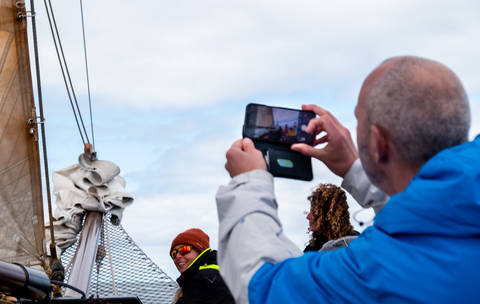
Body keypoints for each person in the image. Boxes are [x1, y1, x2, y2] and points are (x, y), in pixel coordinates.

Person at [216, 56, 479, 303]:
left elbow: (262, 286)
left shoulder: (375, 271)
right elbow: (435, 217)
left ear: (379, 143)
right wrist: (354, 168)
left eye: (358, 120)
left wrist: (248, 183)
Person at [170, 228, 235, 304]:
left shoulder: (206, 279)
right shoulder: (220, 272)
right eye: (173, 254)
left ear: (200, 250)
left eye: (184, 250)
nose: (177, 256)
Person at [304, 183, 358, 252]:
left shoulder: (355, 245)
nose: (307, 217)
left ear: (328, 215)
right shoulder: (311, 250)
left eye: (314, 212)